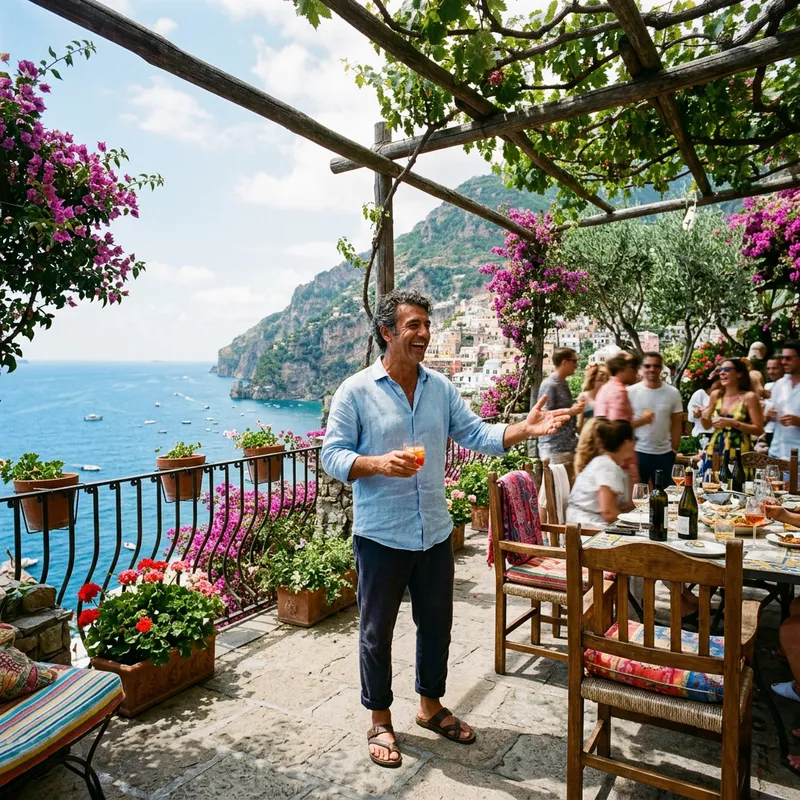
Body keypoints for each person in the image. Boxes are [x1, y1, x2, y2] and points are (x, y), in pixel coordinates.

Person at [321, 289, 570, 768]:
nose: (423, 334)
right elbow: (331, 455)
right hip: (380, 537)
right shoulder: (355, 391)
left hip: (433, 531)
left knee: (437, 627)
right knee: (376, 632)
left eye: (426, 325)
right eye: (412, 325)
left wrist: (525, 429)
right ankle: (379, 718)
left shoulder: (440, 388)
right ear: (387, 332)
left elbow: (476, 434)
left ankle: (430, 707)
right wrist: (375, 463)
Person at [628, 351, 684, 486]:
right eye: (647, 366)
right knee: (637, 496)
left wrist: (674, 450)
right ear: (641, 368)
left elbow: (677, 423)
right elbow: (623, 424)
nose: (652, 369)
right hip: (637, 453)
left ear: (661, 368)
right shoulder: (630, 392)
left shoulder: (673, 393)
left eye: (656, 366)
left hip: (664, 454)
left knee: (665, 497)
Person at [566, 418, 635, 528]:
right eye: (634, 440)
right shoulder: (607, 466)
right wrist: (635, 525)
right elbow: (609, 513)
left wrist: (633, 478)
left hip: (589, 522)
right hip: (585, 527)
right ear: (626, 442)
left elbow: (626, 506)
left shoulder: (609, 464)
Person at [701, 358, 764, 473]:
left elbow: (759, 430)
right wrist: (703, 415)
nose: (722, 372)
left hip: (740, 451)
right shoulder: (716, 395)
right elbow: (706, 426)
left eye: (727, 369)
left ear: (739, 373)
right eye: (720, 370)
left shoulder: (749, 397)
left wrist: (733, 423)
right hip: (715, 449)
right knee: (710, 484)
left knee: (737, 485)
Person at [537, 347, 584, 466]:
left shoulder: (563, 383)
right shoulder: (549, 385)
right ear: (564, 362)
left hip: (567, 448)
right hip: (554, 450)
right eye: (574, 361)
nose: (576, 365)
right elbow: (544, 416)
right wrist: (571, 411)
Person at [769, 340, 800, 460]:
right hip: (776, 453)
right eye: (782, 358)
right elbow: (771, 414)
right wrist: (768, 415)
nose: (783, 362)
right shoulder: (780, 384)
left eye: (788, 358)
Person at [687, 372, 720, 440]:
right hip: (702, 435)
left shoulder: (727, 396)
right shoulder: (700, 394)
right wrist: (696, 413)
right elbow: (691, 418)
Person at [577, 363, 609, 429]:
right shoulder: (583, 397)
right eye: (600, 380)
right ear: (592, 381)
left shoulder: (608, 397)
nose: (604, 383)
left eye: (606, 380)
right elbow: (579, 424)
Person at [763, 354, 785, 446]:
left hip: (784, 434)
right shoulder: (767, 386)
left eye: (774, 368)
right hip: (767, 432)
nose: (771, 372)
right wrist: (766, 415)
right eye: (768, 368)